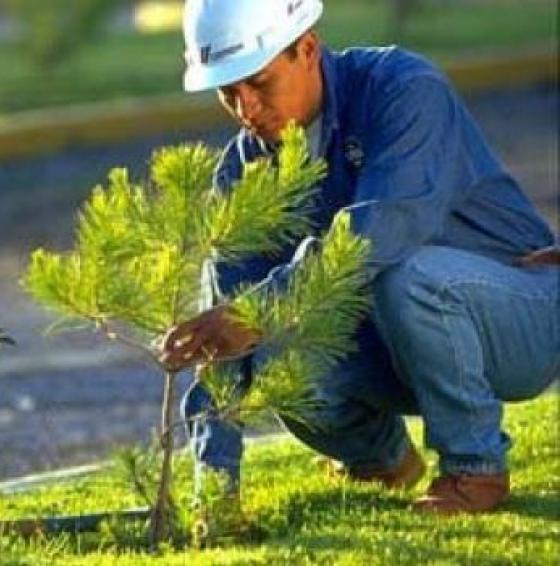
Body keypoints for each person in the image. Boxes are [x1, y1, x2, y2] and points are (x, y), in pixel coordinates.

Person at [161, 0, 559, 515]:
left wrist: (259, 312)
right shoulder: (244, 169)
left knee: (404, 275)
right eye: (226, 91)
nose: (245, 110)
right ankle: (381, 461)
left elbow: (378, 232)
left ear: (307, 48)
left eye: (257, 83)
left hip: (521, 314)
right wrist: (214, 495)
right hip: (402, 344)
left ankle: (474, 470)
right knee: (278, 353)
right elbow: (225, 347)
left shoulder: (403, 88)